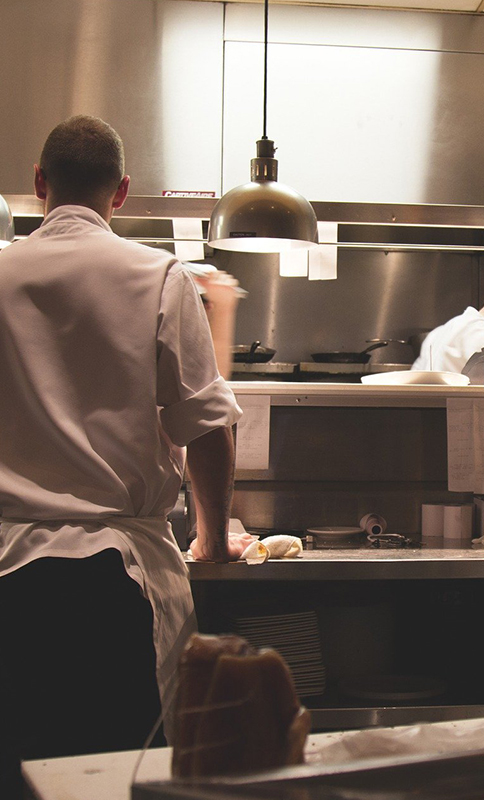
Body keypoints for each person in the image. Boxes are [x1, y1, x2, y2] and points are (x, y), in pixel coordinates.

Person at [0, 115, 255, 795]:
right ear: (121, 192)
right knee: (117, 780)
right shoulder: (158, 277)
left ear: (38, 183)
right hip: (112, 586)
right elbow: (205, 425)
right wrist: (212, 540)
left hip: (9, 575)